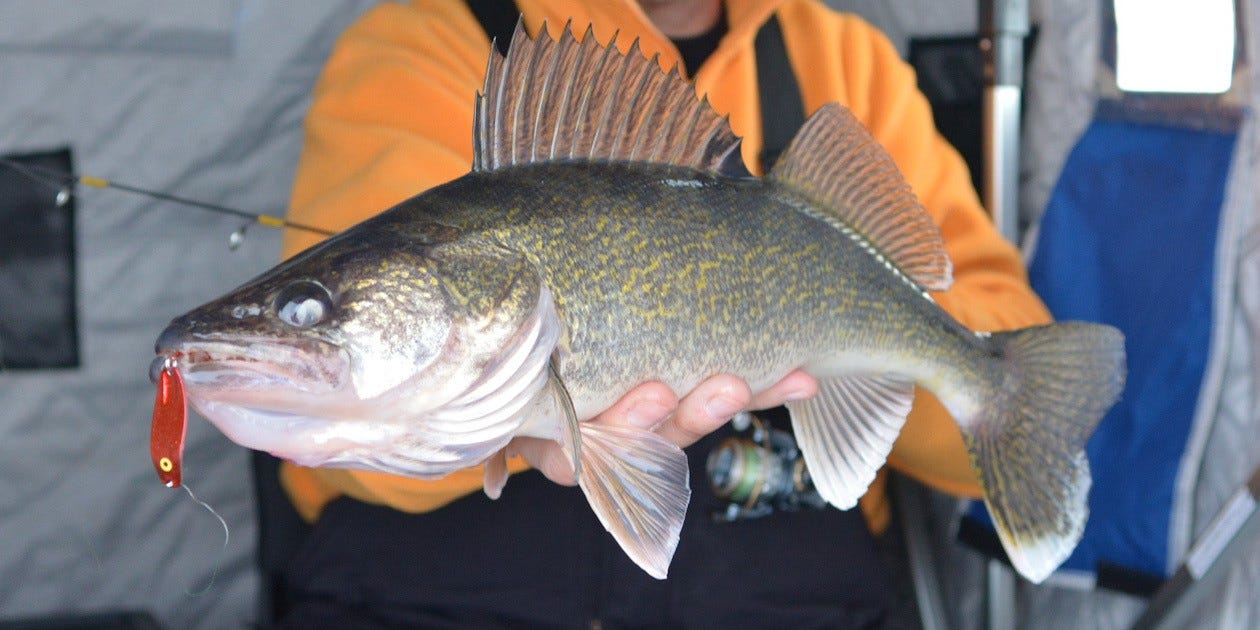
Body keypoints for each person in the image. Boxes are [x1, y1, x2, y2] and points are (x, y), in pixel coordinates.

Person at [277, 0, 1051, 627]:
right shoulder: (418, 44)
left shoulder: (845, 60)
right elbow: (348, 415)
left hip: (783, 596)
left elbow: (1012, 394)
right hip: (449, 598)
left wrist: (835, 341)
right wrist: (515, 434)